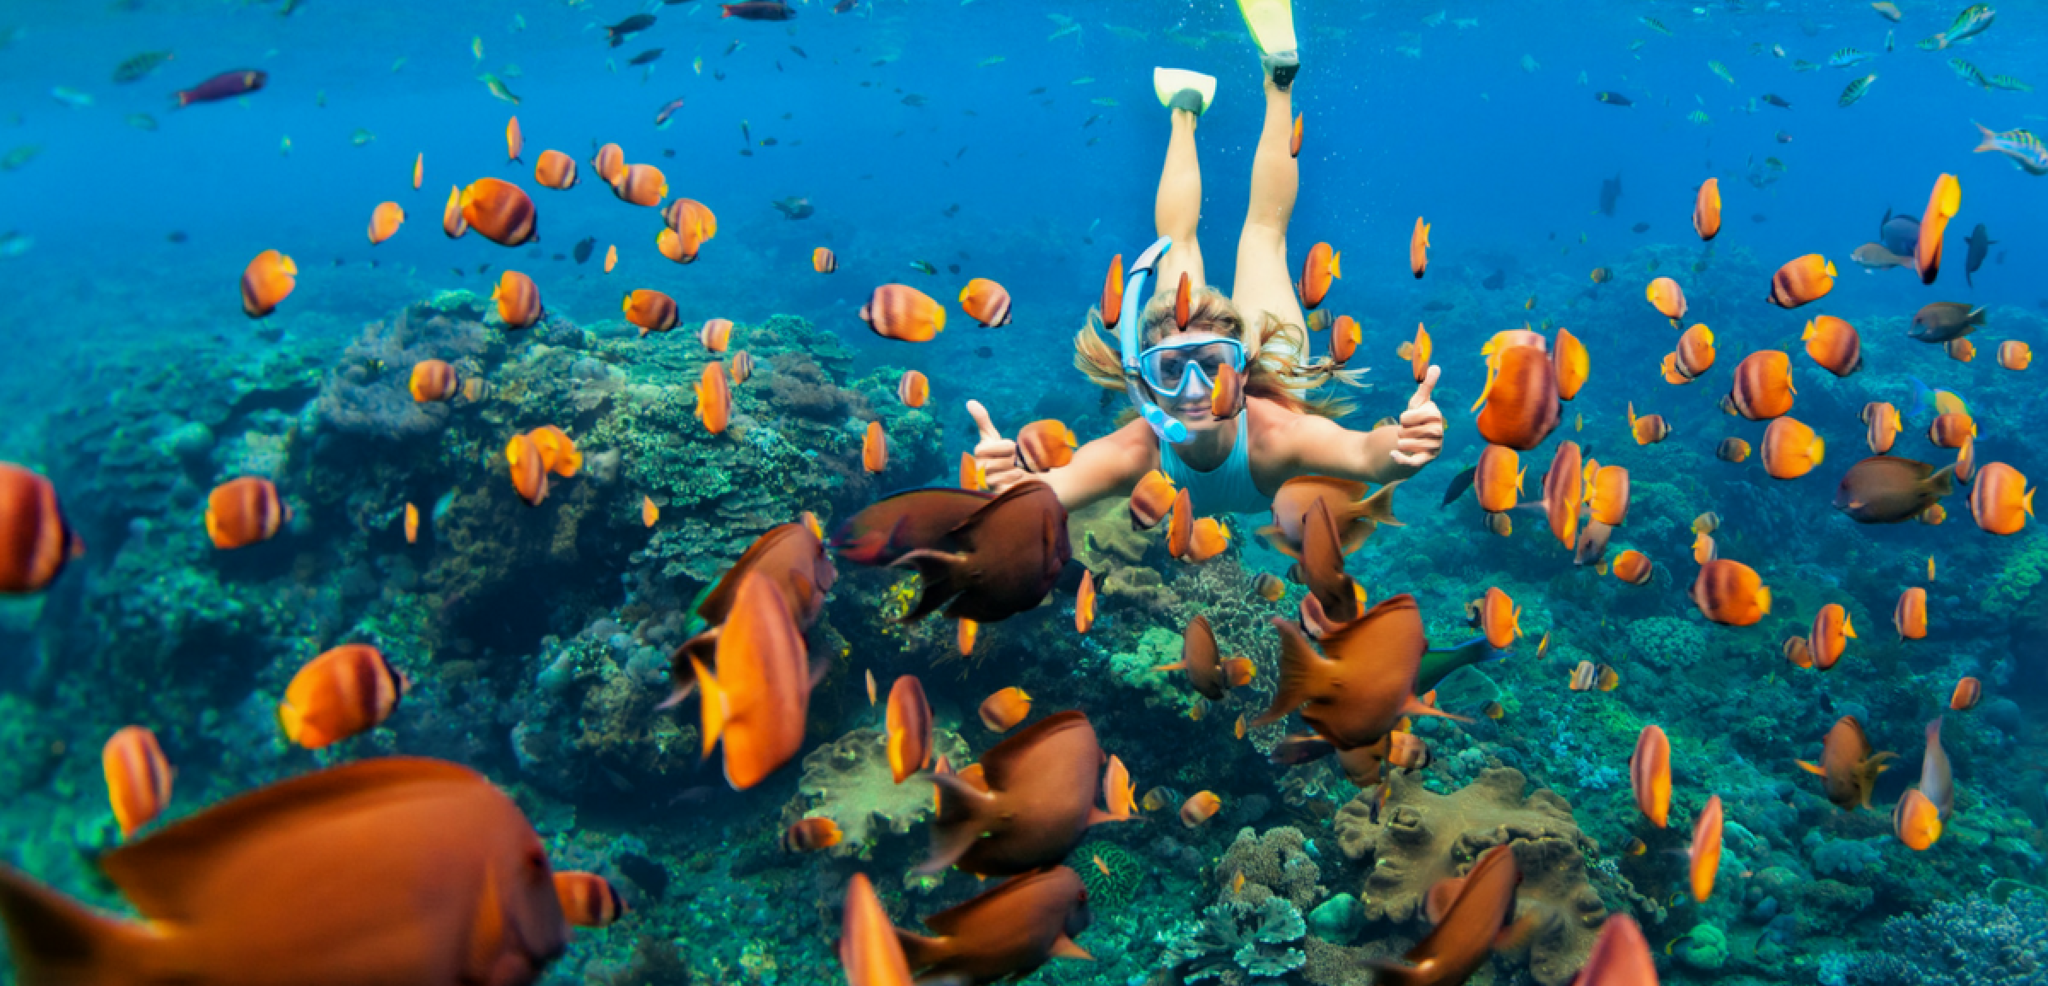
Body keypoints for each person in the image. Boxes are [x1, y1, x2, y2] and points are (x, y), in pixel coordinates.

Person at [965, 0, 1444, 515]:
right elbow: (1050, 495)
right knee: (1260, 237)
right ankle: (1243, 90)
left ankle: (1224, 98)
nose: (1195, 389)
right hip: (1274, 362)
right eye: (1171, 369)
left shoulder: (1277, 435)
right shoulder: (1136, 451)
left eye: (1214, 365)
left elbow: (1364, 454)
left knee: (1216, 237)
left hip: (1271, 373)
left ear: (1241, 363)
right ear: (1144, 379)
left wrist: (1399, 449)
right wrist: (1016, 484)